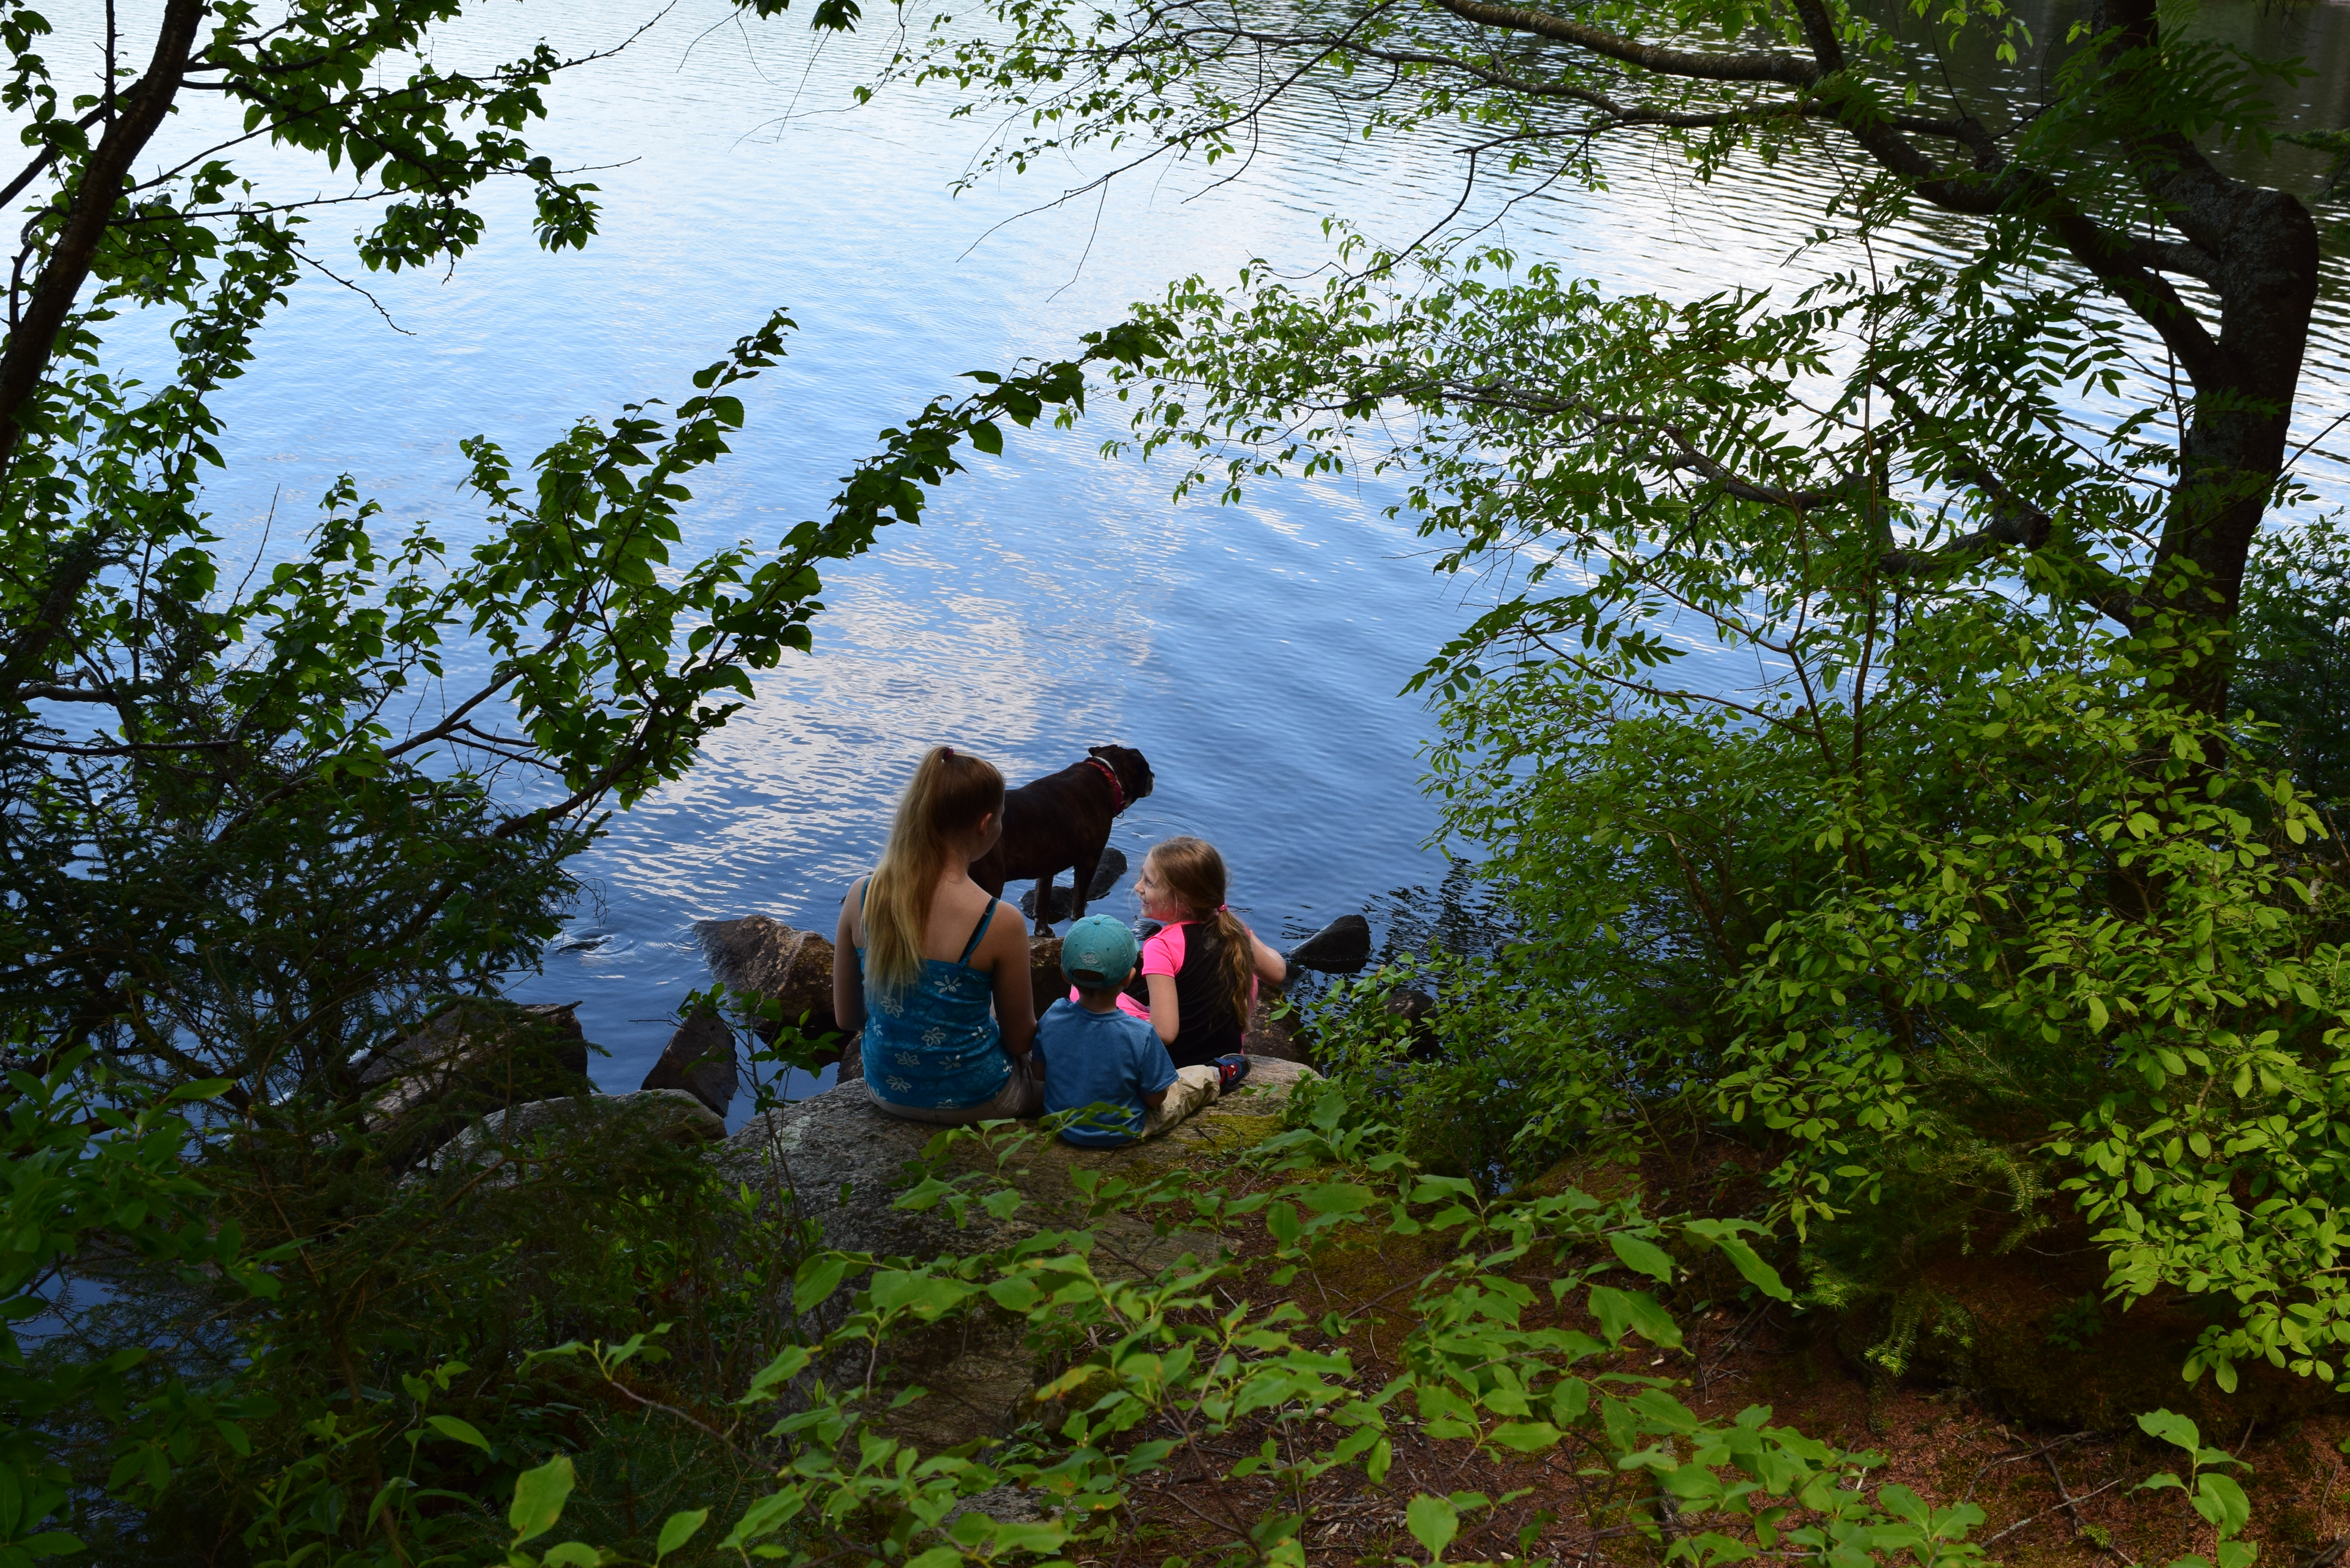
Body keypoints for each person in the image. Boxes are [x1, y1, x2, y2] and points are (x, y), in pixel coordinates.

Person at [832, 746, 1042, 1123]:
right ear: (986, 823)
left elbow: (848, 1017)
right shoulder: (999, 919)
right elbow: (1020, 1041)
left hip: (885, 1092)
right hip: (977, 1100)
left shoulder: (862, 895)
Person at [1041, 915, 1243, 1146]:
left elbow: (1039, 1072)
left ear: (1064, 974)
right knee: (1189, 1083)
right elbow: (1157, 1098)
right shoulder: (1141, 1034)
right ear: (1129, 978)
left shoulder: (1053, 1016)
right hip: (1125, 1131)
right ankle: (1219, 1075)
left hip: (1061, 1124)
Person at [1119, 836, 1287, 1069]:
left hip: (1176, 1065)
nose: (1138, 887)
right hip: (1226, 1060)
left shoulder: (1161, 945)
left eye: (1149, 882)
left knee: (1087, 995)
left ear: (1182, 898)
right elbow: (1278, 973)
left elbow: (1165, 1033)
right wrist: (1251, 937)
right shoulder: (1235, 932)